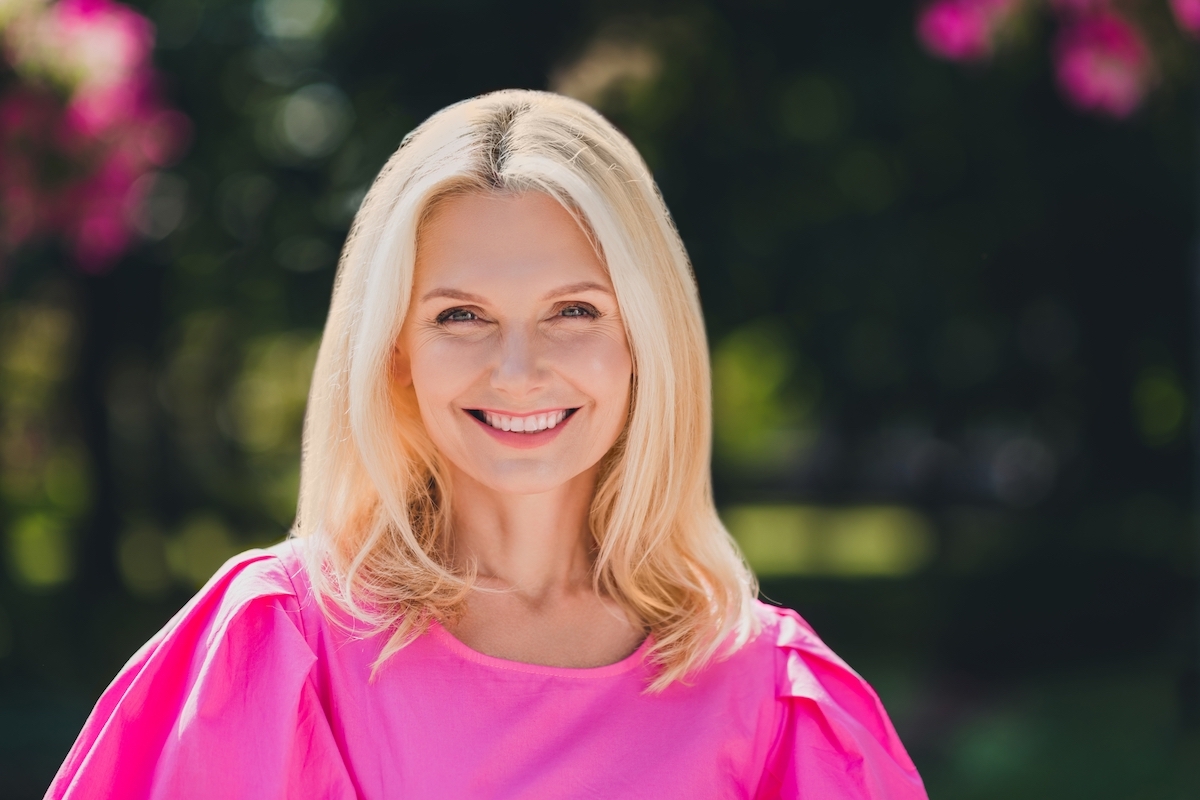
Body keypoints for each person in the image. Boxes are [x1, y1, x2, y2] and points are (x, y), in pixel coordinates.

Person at [47, 90, 927, 799]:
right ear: (396, 352)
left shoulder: (771, 695)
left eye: (573, 311)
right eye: (461, 316)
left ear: (644, 344)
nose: (518, 371)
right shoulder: (281, 650)